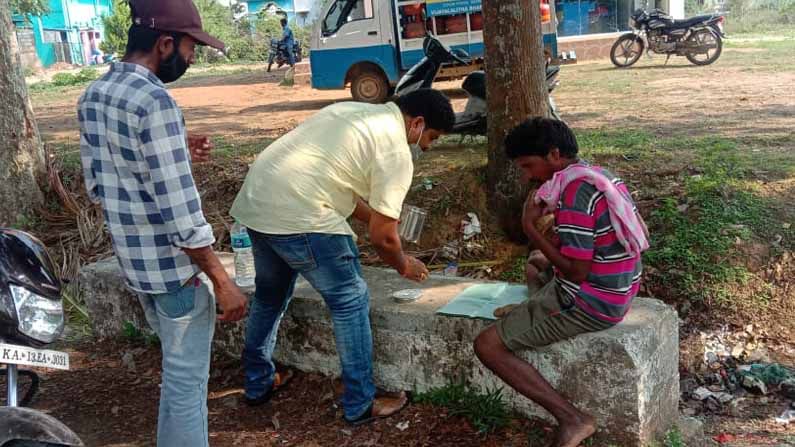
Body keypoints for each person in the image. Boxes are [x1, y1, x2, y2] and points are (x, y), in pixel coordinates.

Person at [76, 0, 248, 445]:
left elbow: (98, 185)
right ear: (165, 43)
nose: (191, 59)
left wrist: (172, 146)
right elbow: (181, 211)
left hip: (136, 266)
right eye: (191, 49)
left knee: (177, 377)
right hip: (175, 273)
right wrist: (221, 279)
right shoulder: (155, 101)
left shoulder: (95, 94)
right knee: (188, 386)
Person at [230, 88, 455, 425]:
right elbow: (383, 237)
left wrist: (383, 215)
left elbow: (340, 186)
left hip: (259, 203)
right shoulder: (395, 151)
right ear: (417, 123)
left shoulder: (351, 112)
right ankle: (360, 403)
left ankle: (257, 383)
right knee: (350, 301)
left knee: (270, 296)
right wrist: (404, 264)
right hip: (305, 217)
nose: (425, 147)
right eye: (431, 138)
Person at [474, 117, 648, 447]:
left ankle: (573, 419)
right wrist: (553, 238)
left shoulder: (573, 193)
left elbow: (576, 272)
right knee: (535, 265)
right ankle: (531, 309)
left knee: (487, 345)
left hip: (591, 303)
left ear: (554, 155)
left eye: (528, 165)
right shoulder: (599, 176)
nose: (528, 176)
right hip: (619, 288)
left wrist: (530, 228)